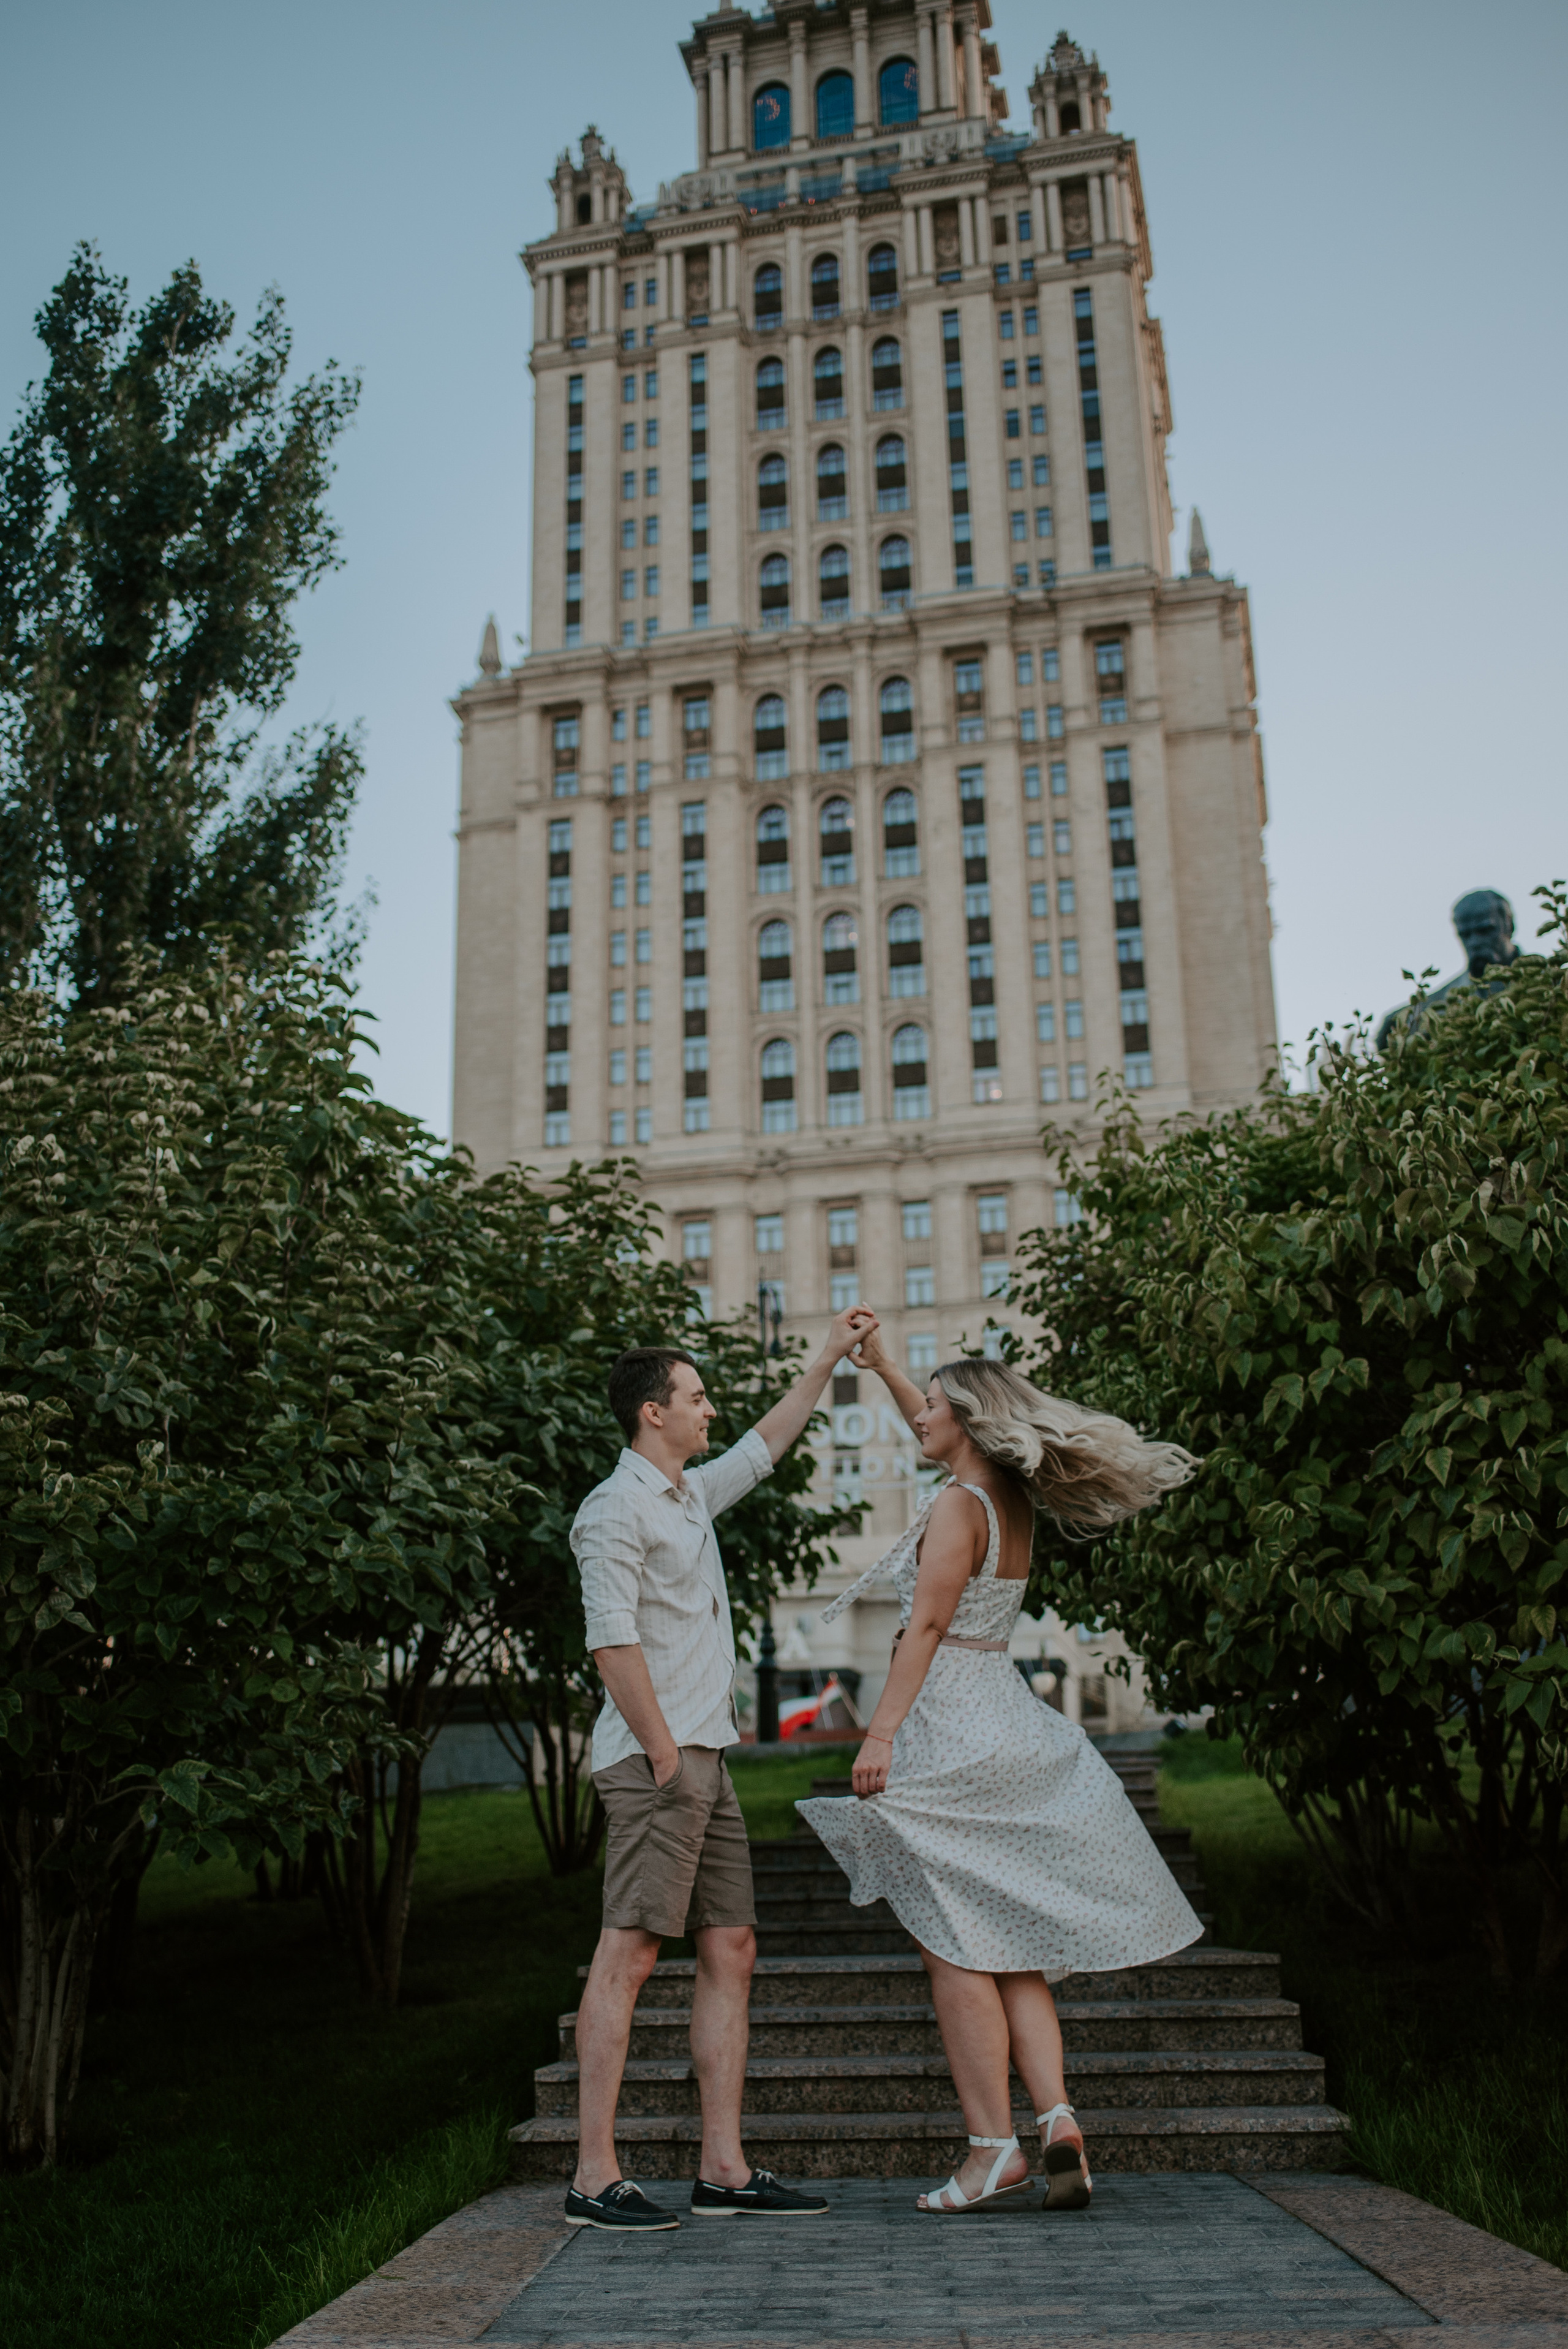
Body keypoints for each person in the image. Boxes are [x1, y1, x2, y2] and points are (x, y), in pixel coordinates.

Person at [797, 1337, 1202, 2217]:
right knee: (1007, 1940)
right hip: (1004, 1713)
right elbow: (933, 1427)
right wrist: (886, 1367)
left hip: (950, 1725)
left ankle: (993, 2150)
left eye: (934, 1404)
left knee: (951, 1942)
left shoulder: (957, 1506)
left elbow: (926, 1627)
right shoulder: (1003, 1497)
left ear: (969, 1421)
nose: (920, 1416)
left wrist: (879, 1734)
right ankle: (1057, 2118)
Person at [565, 1307, 877, 2234]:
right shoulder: (613, 1509)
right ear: (652, 1411)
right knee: (629, 1953)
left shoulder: (689, 1496)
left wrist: (826, 1355)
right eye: (696, 1396)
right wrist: (666, 1754)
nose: (711, 1409)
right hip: (657, 1763)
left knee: (731, 1946)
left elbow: (766, 1444)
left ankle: (723, 2170)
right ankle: (593, 2176)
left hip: (708, 1758)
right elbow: (611, 1643)